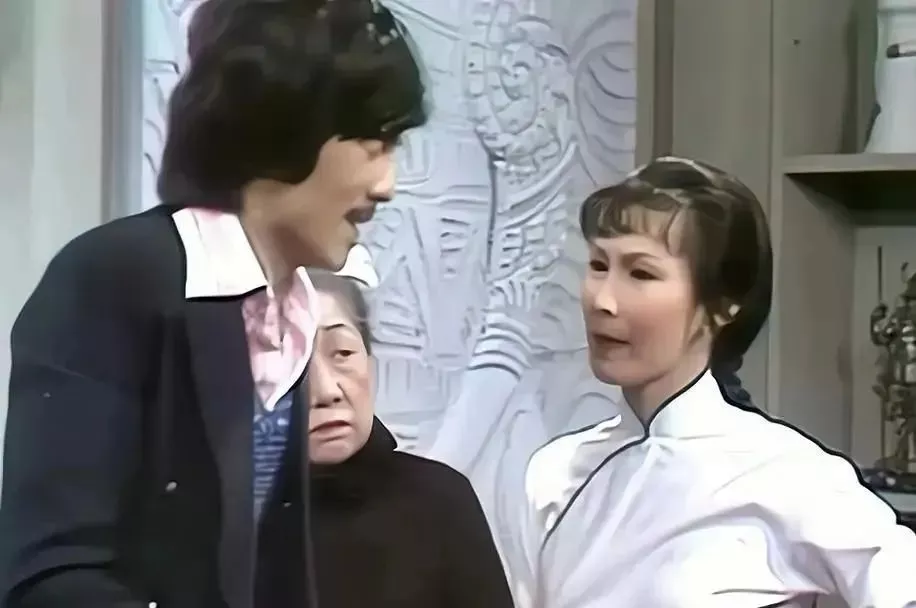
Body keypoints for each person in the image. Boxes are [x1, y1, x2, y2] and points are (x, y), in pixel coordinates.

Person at [0, 0, 426, 606]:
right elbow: (52, 575)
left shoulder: (292, 313)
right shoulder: (116, 277)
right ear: (286, 118)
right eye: (373, 140)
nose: (388, 185)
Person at [515, 157, 916, 608]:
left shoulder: (784, 473)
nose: (604, 301)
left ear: (724, 305)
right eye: (598, 265)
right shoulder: (556, 471)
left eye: (641, 273)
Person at [299, 269, 514, 607]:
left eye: (342, 353)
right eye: (296, 364)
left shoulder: (441, 501)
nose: (326, 391)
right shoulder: (236, 526)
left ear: (370, 362)